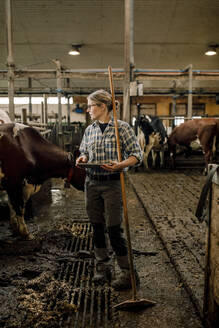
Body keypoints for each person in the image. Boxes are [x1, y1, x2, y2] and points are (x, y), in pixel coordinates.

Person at [76, 89, 143, 290]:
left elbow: (137, 155)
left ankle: (128, 273)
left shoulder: (122, 128)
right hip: (91, 183)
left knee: (114, 228)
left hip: (113, 183)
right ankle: (102, 266)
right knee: (96, 226)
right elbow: (84, 151)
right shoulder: (90, 130)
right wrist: (83, 159)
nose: (88, 110)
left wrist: (121, 165)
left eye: (91, 106)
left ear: (103, 106)